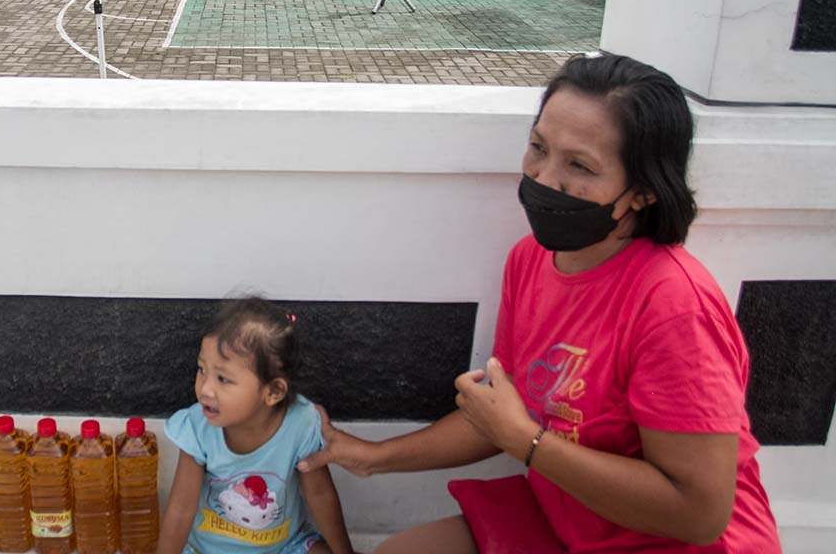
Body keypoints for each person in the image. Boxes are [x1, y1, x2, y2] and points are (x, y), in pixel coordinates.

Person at [298, 54, 784, 554]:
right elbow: (504, 412)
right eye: (538, 148)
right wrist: (372, 457)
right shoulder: (530, 260)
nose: (544, 179)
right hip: (570, 518)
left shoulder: (674, 307)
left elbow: (699, 515)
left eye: (580, 165)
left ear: (642, 192)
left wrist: (526, 443)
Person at [159, 297, 355, 554]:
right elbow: (180, 509)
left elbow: (320, 496)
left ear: (273, 392)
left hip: (285, 546)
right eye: (201, 370)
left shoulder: (301, 424)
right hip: (206, 550)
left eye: (223, 379)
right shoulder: (198, 428)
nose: (205, 389)